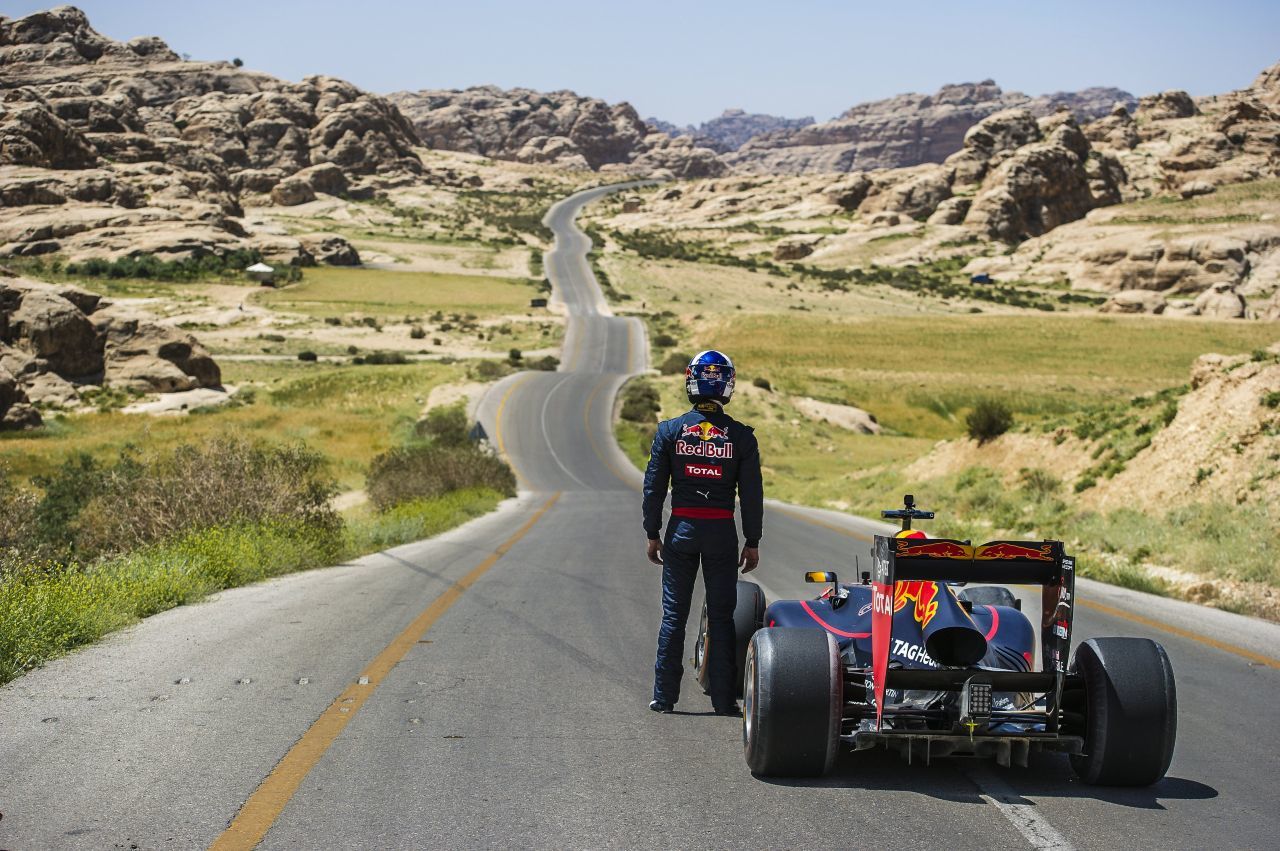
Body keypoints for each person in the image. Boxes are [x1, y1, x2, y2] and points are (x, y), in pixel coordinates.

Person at [642, 350, 763, 716]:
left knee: (673, 616)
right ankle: (724, 701)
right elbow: (752, 495)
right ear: (728, 385)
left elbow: (653, 488)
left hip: (681, 529)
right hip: (722, 534)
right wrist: (752, 541)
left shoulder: (669, 431)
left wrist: (652, 532)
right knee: (723, 616)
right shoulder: (741, 437)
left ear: (690, 381)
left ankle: (664, 698)